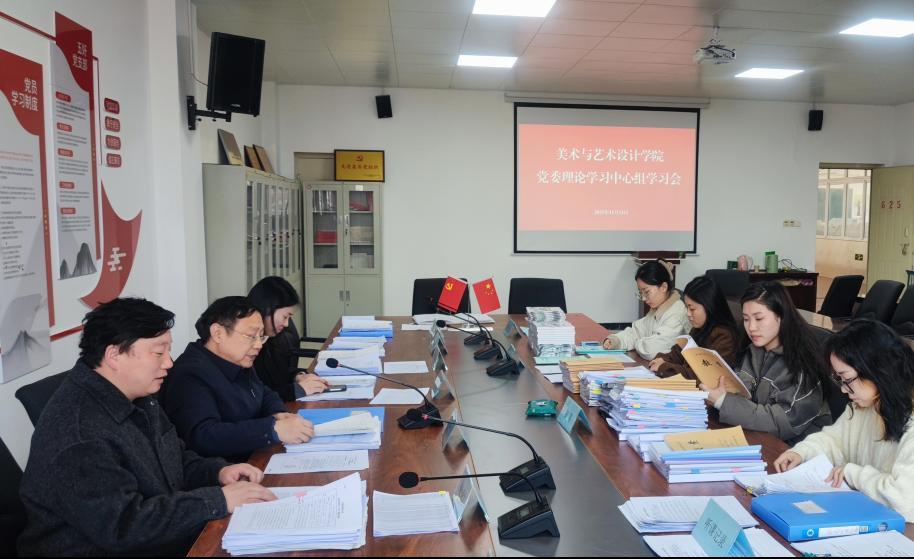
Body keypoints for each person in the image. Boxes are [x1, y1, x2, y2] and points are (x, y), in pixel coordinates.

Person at [18, 298, 276, 556]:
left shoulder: (139, 395)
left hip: (162, 537)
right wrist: (218, 500)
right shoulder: (79, 433)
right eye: (159, 353)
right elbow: (124, 526)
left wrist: (218, 471)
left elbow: (175, 460)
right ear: (114, 355)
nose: (169, 363)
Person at [773, 319, 914, 521]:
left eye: (847, 379)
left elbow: (904, 500)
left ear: (876, 370)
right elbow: (834, 441)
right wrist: (801, 452)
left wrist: (852, 474)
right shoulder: (867, 405)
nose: (843, 389)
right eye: (840, 380)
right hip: (869, 514)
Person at [162, 296, 314, 460]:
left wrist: (277, 413)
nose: (258, 345)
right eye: (251, 336)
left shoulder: (237, 359)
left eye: (261, 336)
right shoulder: (190, 375)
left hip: (256, 455)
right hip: (226, 468)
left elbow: (263, 393)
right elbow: (204, 436)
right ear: (218, 333)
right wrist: (271, 429)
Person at [703, 281, 831, 443]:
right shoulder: (753, 350)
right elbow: (743, 394)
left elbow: (782, 423)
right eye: (746, 319)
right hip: (757, 435)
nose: (751, 327)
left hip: (795, 447)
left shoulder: (802, 362)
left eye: (759, 318)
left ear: (781, 316)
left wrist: (724, 401)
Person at [248, 276, 329, 401]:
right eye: (285, 317)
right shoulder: (246, 349)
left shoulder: (271, 339)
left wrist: (297, 376)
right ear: (268, 309)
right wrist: (296, 390)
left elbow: (278, 375)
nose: (286, 324)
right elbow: (257, 396)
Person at [649, 275, 739, 379]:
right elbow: (679, 353)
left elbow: (702, 375)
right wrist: (662, 359)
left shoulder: (724, 336)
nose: (688, 314)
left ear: (708, 306)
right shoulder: (700, 328)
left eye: (692, 309)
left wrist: (663, 367)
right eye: (686, 307)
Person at [603, 259, 690, 359]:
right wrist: (616, 340)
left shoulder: (677, 313)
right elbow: (636, 332)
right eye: (641, 293)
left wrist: (637, 342)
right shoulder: (657, 308)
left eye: (647, 292)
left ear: (663, 287)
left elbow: (653, 350)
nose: (644, 298)